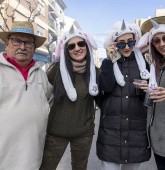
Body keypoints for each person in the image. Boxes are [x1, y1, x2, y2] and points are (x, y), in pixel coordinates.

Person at [40, 26, 101, 170]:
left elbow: (106, 96)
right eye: (71, 46)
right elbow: (41, 94)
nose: (77, 48)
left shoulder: (96, 73)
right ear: (66, 50)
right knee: (46, 167)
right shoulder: (56, 70)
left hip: (83, 134)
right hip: (56, 133)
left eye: (81, 44)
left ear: (87, 46)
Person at [96, 20, 151, 170]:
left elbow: (147, 99)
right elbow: (106, 88)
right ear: (114, 44)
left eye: (130, 42)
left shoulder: (143, 65)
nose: (126, 47)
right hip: (111, 131)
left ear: (135, 42)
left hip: (136, 130)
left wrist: (147, 90)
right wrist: (109, 60)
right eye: (121, 44)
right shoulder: (108, 63)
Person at [0, 21, 52, 170]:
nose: (22, 47)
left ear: (34, 48)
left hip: (33, 159)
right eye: (16, 41)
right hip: (3, 160)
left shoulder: (40, 73)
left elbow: (49, 100)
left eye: (28, 43)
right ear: (7, 43)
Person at [137, 15, 165, 170]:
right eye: (157, 40)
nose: (162, 43)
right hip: (158, 140)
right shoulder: (157, 67)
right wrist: (147, 88)